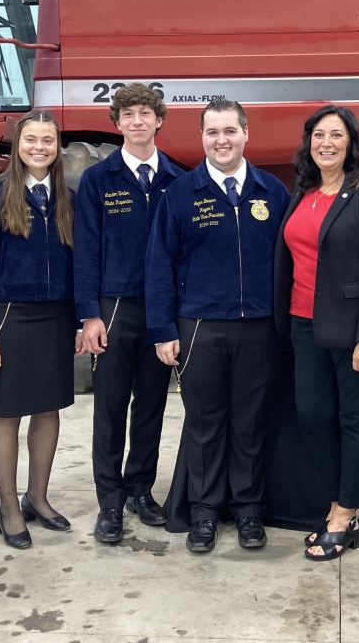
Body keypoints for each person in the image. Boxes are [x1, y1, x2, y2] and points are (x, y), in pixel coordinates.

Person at [147, 98, 290, 552]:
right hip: (200, 327)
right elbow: (159, 266)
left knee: (249, 423)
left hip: (259, 328)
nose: (221, 140)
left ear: (247, 134)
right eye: (212, 132)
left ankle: (248, 510)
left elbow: (290, 266)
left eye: (230, 131)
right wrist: (163, 329)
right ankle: (204, 513)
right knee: (205, 423)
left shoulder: (272, 192)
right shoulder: (180, 195)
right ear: (202, 138)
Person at [273, 105, 359, 562]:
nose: (326, 143)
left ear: (352, 143)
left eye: (337, 135)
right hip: (303, 323)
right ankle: (337, 499)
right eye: (318, 135)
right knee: (312, 414)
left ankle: (346, 511)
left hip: (353, 331)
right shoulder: (303, 189)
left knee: (357, 420)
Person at [0, 110, 82, 549]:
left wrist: (78, 320)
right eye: (31, 139)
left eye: (48, 141)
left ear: (58, 148)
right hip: (10, 318)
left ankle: (37, 496)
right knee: (8, 412)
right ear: (17, 146)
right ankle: (9, 507)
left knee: (48, 408)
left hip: (56, 318)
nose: (40, 147)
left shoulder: (69, 200)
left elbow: (80, 266)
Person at [75, 83, 184, 543]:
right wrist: (89, 315)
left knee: (152, 408)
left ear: (159, 120)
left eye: (145, 113)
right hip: (114, 311)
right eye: (128, 115)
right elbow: (85, 251)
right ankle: (110, 502)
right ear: (116, 123)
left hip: (161, 314)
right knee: (111, 409)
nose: (137, 121)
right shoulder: (98, 181)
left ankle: (141, 489)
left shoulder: (178, 182)